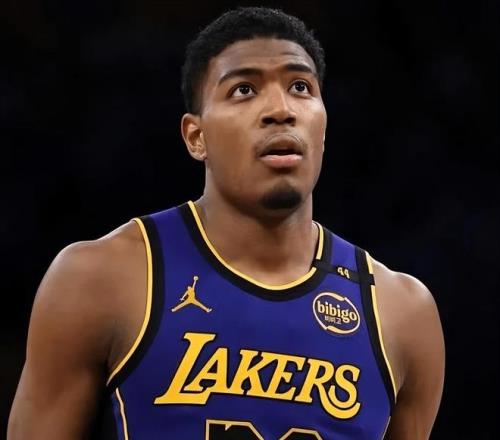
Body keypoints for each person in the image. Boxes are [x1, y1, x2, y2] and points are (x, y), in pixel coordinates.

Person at [8, 7, 445, 440]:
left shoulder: (401, 313)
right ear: (196, 137)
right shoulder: (99, 278)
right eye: (244, 90)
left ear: (324, 127)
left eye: (300, 87)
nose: (280, 110)